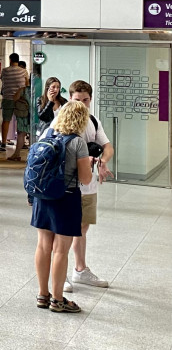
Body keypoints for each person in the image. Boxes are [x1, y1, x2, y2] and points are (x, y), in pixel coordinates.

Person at [31, 101, 92, 313]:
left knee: (43, 245)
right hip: (66, 198)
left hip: (42, 196)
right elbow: (85, 178)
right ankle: (58, 299)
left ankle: (42, 294)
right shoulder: (78, 143)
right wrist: (90, 162)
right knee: (60, 250)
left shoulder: (47, 135)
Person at [60, 80, 114, 294]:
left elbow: (107, 146)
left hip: (88, 186)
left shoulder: (93, 121)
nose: (81, 104)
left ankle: (80, 269)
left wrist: (103, 161)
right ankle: (60, 273)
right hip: (68, 186)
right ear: (70, 99)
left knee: (82, 227)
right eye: (77, 100)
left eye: (85, 100)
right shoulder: (62, 120)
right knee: (63, 230)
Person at [1, 53, 29, 160]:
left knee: (6, 120)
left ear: (10, 60)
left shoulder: (5, 71)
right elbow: (26, 83)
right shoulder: (23, 71)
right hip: (20, 100)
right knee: (20, 122)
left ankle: (3, 142)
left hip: (7, 97)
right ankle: (20, 144)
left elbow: (3, 80)